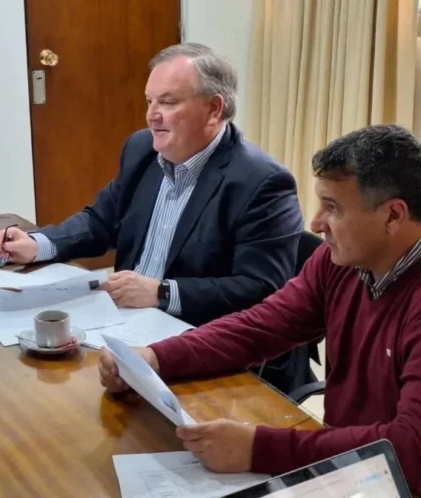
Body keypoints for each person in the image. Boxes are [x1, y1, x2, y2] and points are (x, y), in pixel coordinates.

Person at [98, 124, 421, 493]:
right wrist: (155, 358)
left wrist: (258, 448)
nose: (316, 223)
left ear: (393, 216)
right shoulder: (340, 262)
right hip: (347, 470)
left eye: (332, 208)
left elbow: (410, 450)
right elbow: (262, 326)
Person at [0, 43, 311, 393]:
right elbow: (101, 221)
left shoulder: (261, 182)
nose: (152, 115)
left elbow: (260, 290)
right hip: (128, 330)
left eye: (168, 102)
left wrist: (161, 292)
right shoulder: (141, 149)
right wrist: (37, 245)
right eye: (149, 101)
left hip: (209, 351)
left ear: (213, 109)